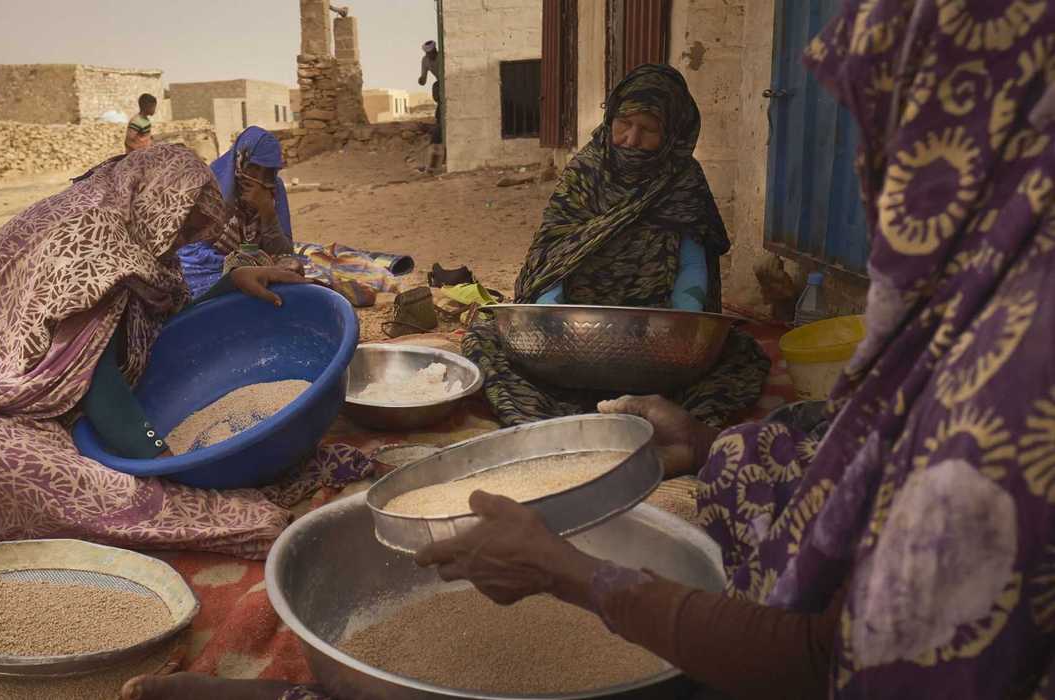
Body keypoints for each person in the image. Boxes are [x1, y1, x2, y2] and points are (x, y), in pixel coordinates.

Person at [122, 0, 1055, 697]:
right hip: (589, 342)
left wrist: (570, 573)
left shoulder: (1007, 395)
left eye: (884, 124)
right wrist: (702, 442)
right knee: (722, 430)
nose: (869, 162)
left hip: (830, 651)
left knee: (731, 372)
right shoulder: (983, 293)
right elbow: (547, 269)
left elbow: (827, 666)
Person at [0, 144, 372, 556]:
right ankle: (187, 514)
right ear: (157, 200)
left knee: (92, 455)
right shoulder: (89, 241)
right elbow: (99, 380)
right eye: (182, 225)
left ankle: (139, 481)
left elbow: (158, 326)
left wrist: (232, 281)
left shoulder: (140, 239)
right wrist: (164, 457)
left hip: (64, 405)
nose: (181, 240)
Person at [463, 64, 770, 430]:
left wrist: (679, 332)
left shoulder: (684, 180)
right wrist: (550, 320)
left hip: (654, 332)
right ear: (610, 118)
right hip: (574, 327)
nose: (631, 139)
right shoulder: (587, 170)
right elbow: (553, 254)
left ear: (672, 134)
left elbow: (693, 263)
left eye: (648, 130)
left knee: (739, 357)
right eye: (623, 123)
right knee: (485, 339)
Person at [177, 126, 298, 299]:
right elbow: (191, 251)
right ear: (240, 159)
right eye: (254, 168)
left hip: (258, 263)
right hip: (210, 267)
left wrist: (267, 211)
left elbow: (283, 251)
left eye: (268, 171)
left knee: (293, 276)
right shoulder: (211, 184)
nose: (260, 178)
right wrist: (239, 264)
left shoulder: (274, 189)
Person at [418, 40, 444, 170]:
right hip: (440, 84)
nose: (431, 55)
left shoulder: (442, 57)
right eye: (429, 54)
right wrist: (421, 80)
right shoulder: (425, 61)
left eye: (433, 53)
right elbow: (423, 78)